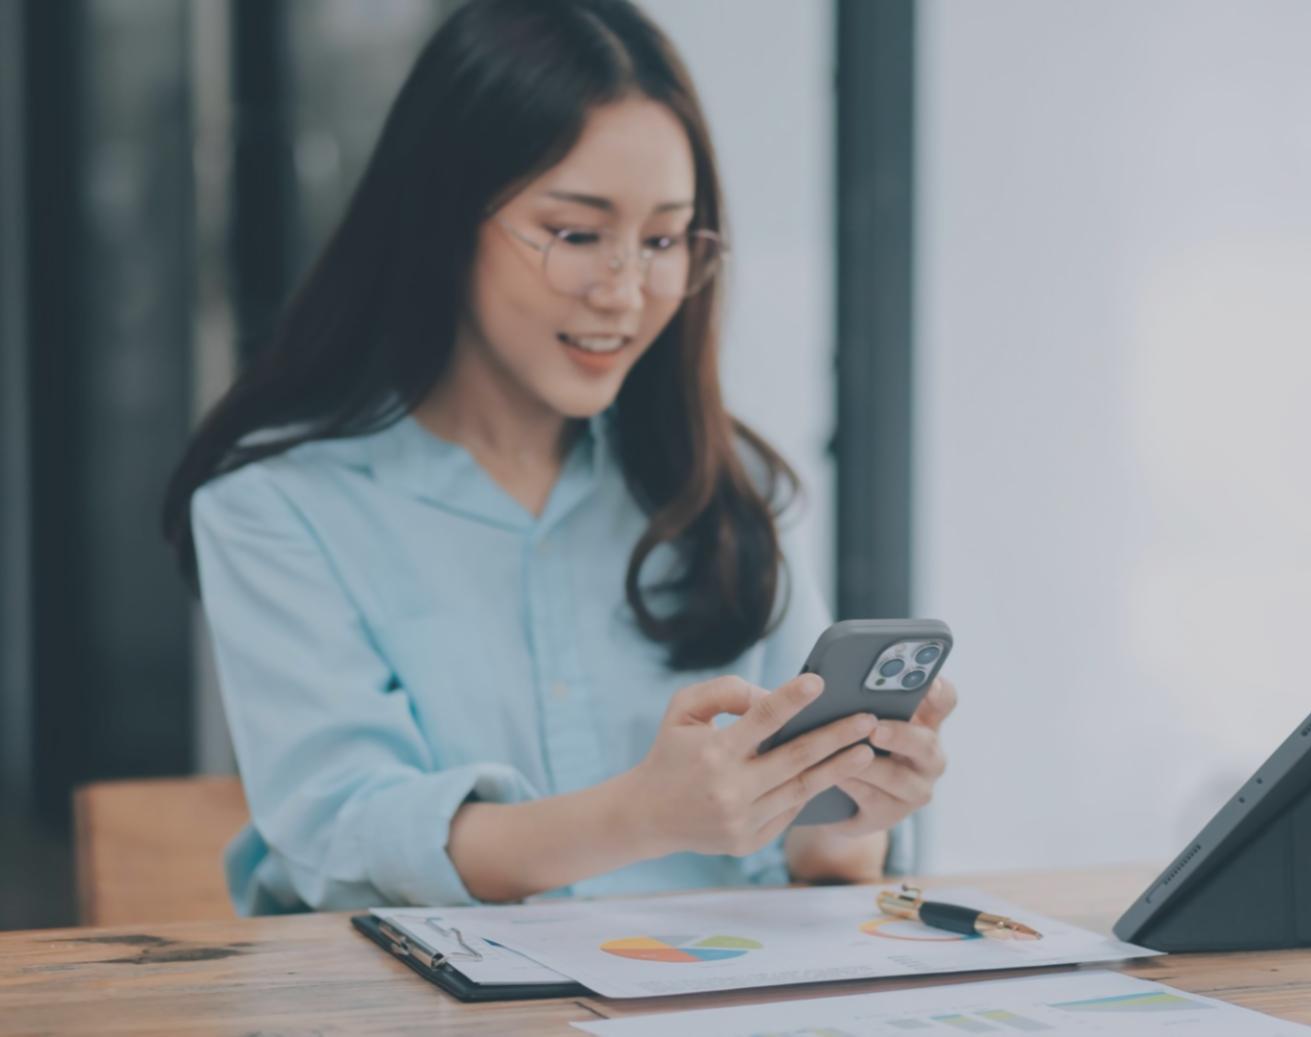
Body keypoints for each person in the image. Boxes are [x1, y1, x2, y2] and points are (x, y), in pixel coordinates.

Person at [163, 0, 957, 914]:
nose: (624, 290)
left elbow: (821, 874)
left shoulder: (725, 484)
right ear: (444, 221)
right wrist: (645, 814)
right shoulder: (275, 503)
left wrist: (844, 812)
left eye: (662, 239)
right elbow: (346, 841)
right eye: (577, 232)